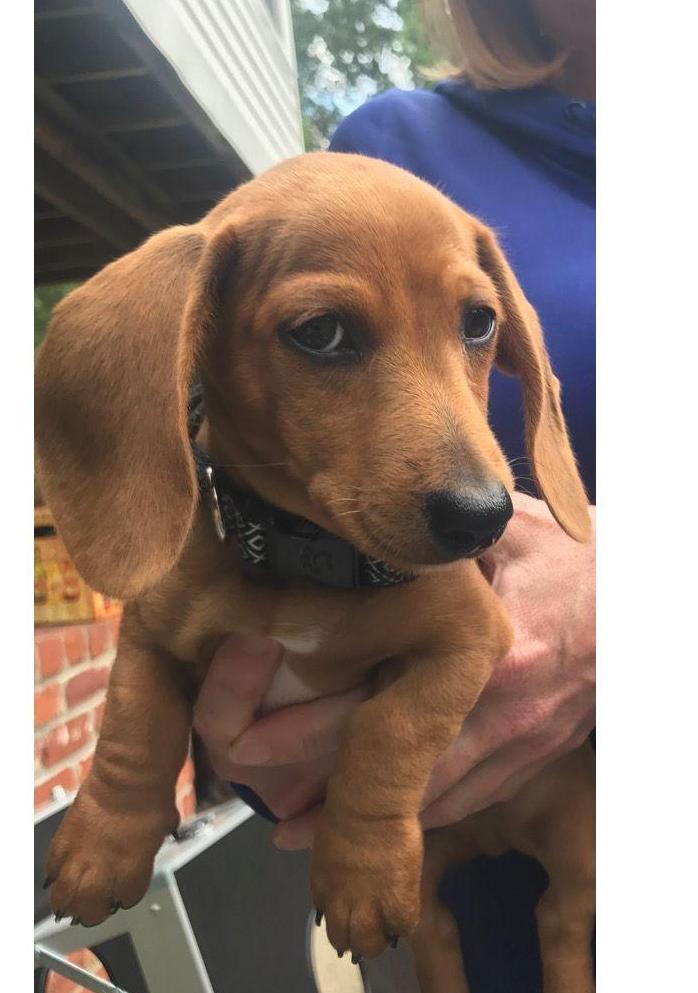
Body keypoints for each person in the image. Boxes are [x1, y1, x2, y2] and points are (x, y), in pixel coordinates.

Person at [192, 1, 596, 988]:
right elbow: (266, 489)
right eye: (326, 334)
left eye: (475, 325)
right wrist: (275, 732)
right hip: (470, 912)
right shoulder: (396, 158)